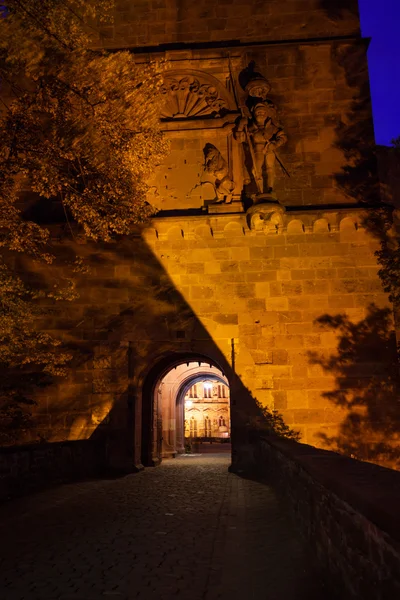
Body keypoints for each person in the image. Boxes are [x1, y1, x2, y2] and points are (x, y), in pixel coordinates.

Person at [235, 100, 287, 194]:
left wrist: (275, 144)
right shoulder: (251, 128)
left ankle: (270, 188)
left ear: (267, 114)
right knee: (255, 170)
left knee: (270, 168)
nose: (261, 114)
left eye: (263, 112)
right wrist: (241, 125)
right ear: (254, 114)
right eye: (258, 112)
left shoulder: (271, 127)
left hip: (269, 148)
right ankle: (260, 190)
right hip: (257, 149)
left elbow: (283, 137)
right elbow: (240, 139)